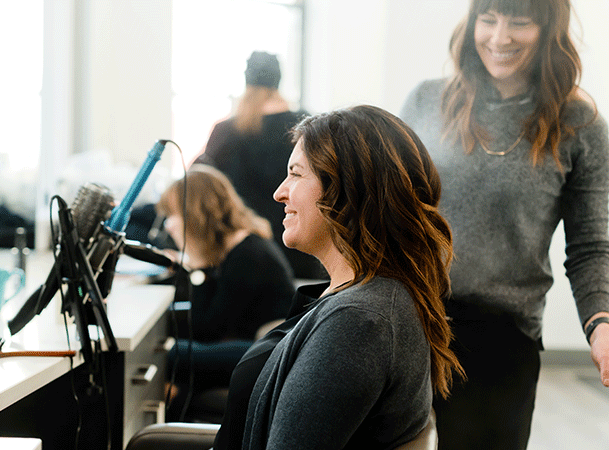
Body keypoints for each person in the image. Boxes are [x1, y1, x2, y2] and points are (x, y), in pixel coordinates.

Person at [399, 0, 609, 448]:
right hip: (410, 317)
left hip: (501, 336)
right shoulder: (425, 101)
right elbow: (387, 210)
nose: (499, 37)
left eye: (519, 21)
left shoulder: (580, 126)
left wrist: (600, 323)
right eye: (489, 18)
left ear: (549, 29)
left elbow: (590, 246)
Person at [212, 105, 463, 450]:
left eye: (296, 174)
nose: (279, 193)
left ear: (346, 191)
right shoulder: (362, 299)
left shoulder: (358, 324)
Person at [155, 164, 296, 420]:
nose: (169, 225)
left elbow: (207, 328)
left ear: (194, 215)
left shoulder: (248, 256)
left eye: (173, 215)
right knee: (177, 366)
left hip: (267, 353)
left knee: (170, 354)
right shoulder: (238, 248)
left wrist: (197, 268)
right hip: (256, 346)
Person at [195, 51, 325, 280]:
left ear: (247, 82)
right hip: (302, 252)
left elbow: (199, 186)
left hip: (244, 257)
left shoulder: (226, 132)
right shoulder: (306, 127)